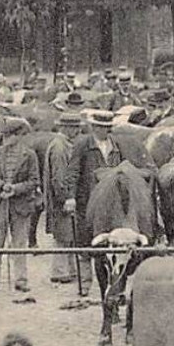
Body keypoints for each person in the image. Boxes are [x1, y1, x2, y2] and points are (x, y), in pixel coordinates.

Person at [0, 117, 41, 295]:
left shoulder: (29, 155)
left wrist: (15, 189)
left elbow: (34, 180)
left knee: (19, 243)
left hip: (20, 206)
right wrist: (0, 185)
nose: (5, 140)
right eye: (4, 136)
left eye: (9, 136)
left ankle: (21, 280)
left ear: (18, 136)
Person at [60, 110, 125, 264]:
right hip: (88, 200)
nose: (106, 130)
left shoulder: (115, 145)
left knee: (109, 240)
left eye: (108, 127)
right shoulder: (83, 145)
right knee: (86, 242)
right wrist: (70, 197)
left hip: (111, 202)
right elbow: (73, 171)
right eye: (102, 127)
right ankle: (86, 282)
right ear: (94, 127)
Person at [44, 113, 89, 286]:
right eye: (75, 128)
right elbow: (59, 177)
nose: (77, 131)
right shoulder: (60, 148)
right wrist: (66, 197)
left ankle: (69, 270)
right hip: (61, 198)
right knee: (62, 234)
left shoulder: (63, 144)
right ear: (67, 128)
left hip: (62, 197)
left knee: (69, 233)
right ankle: (59, 271)